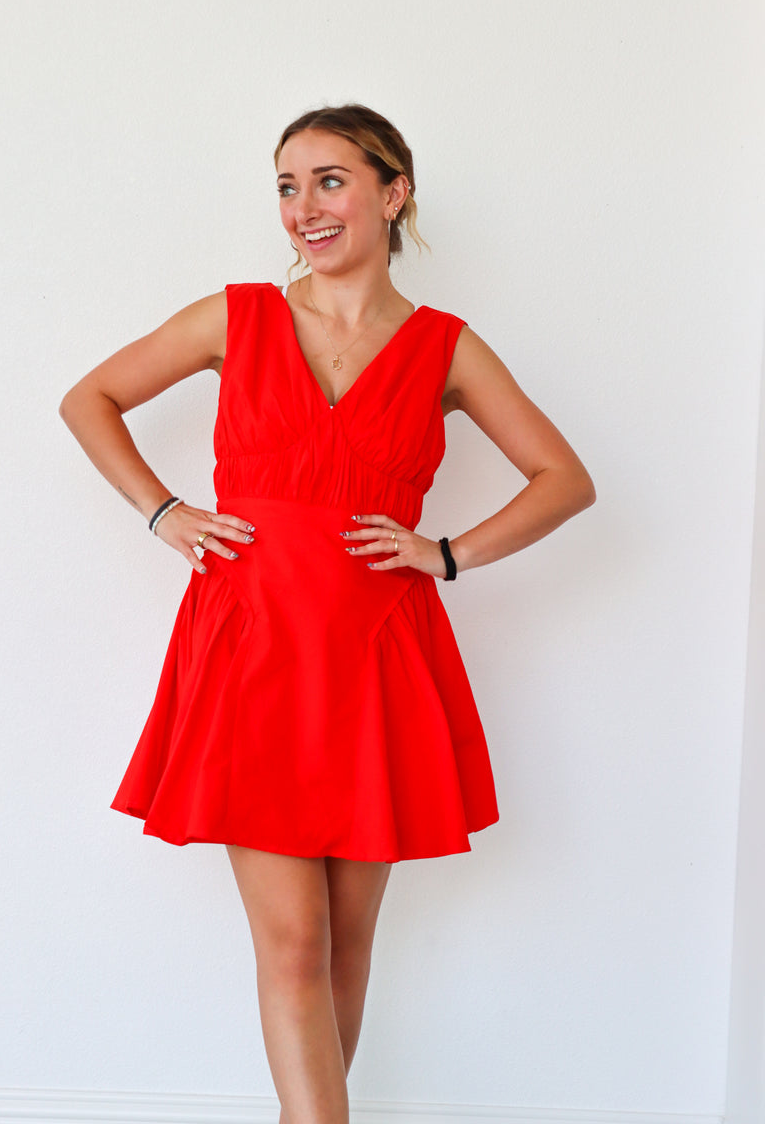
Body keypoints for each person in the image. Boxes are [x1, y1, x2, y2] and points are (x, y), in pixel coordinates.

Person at [60, 103, 595, 1124]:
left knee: (345, 950)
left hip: (375, 654)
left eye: (329, 181)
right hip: (251, 642)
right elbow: (89, 398)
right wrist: (163, 511)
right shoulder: (235, 317)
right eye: (286, 185)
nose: (303, 207)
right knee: (293, 945)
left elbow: (562, 478)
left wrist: (445, 554)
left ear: (392, 195)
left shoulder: (443, 348)